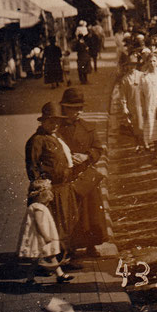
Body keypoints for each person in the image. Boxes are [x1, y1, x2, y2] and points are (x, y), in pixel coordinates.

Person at [25, 102, 78, 261]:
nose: (55, 125)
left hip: (64, 188)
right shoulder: (37, 141)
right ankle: (53, 261)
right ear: (43, 122)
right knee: (53, 226)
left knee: (66, 223)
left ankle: (65, 258)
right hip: (51, 191)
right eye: (51, 121)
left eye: (57, 121)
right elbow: (33, 168)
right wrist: (42, 191)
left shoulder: (55, 137)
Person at [58, 88, 107, 256]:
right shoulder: (58, 130)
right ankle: (71, 248)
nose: (78, 112)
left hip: (86, 177)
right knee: (72, 213)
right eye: (73, 108)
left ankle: (91, 245)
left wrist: (86, 157)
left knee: (91, 213)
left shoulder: (89, 127)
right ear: (64, 108)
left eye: (80, 108)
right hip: (68, 177)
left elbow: (98, 149)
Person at [17, 179, 74, 285]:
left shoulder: (36, 206)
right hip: (40, 239)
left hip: (40, 238)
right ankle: (31, 279)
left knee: (49, 257)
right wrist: (46, 236)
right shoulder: (38, 208)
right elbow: (39, 224)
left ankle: (59, 275)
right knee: (39, 260)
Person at [139, 52, 157, 164]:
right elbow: (141, 94)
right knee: (154, 130)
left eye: (154, 61)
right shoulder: (144, 76)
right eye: (150, 61)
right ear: (147, 62)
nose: (152, 63)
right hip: (149, 105)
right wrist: (143, 109)